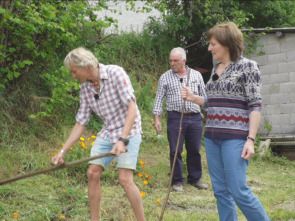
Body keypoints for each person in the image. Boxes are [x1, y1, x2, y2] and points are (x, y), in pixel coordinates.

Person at [181, 22, 270, 220]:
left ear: (227, 44)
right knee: (221, 191)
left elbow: (255, 106)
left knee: (238, 191)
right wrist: (194, 98)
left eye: (213, 44)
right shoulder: (216, 69)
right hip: (212, 137)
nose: (209, 48)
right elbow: (211, 103)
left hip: (235, 139)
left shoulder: (248, 67)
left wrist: (251, 139)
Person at [52, 47, 145, 221]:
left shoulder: (116, 73)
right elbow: (81, 122)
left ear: (85, 66)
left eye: (74, 71)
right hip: (108, 130)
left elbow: (132, 108)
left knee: (125, 179)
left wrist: (122, 140)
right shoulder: (85, 89)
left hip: (129, 130)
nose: (73, 75)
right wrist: (62, 152)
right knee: (92, 173)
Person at [153, 47, 209, 192]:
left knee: (195, 149)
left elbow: (205, 98)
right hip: (175, 117)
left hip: (195, 118)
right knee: (175, 150)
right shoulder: (165, 77)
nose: (172, 63)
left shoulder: (196, 75)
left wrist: (212, 115)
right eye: (170, 61)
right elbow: (159, 99)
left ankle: (195, 179)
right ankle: (177, 181)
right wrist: (157, 119)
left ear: (184, 61)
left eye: (175, 61)